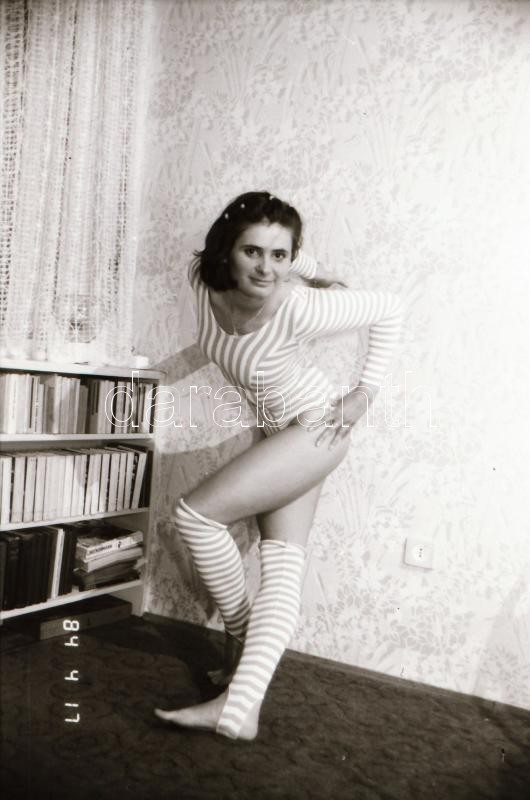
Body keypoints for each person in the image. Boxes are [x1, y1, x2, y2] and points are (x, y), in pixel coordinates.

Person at [155, 190, 404, 740]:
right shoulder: (202, 283)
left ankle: (240, 644)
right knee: (282, 562)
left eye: (280, 256)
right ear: (227, 249)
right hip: (278, 432)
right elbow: (229, 329)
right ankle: (241, 706)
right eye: (253, 252)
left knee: (196, 516)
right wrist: (314, 269)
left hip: (316, 427)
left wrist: (364, 393)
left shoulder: (296, 306)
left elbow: (391, 308)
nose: (267, 268)